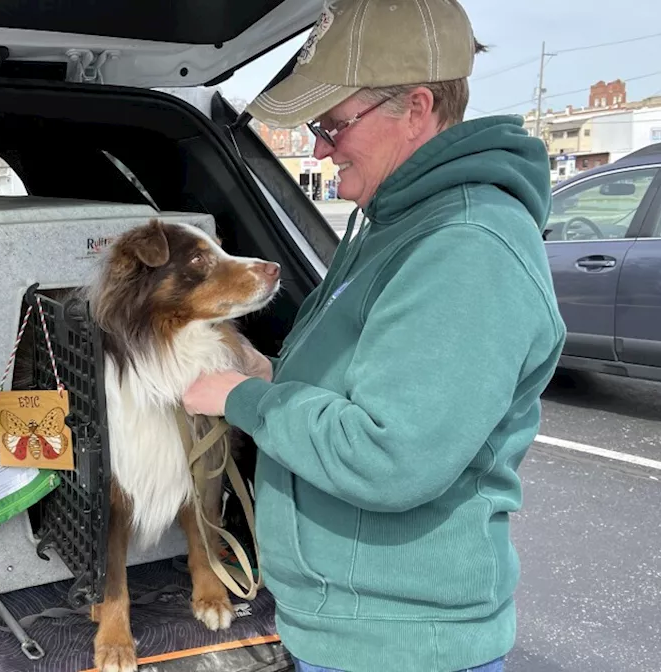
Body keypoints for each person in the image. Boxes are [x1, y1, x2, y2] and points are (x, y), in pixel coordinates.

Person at [182, 1, 566, 671]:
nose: (321, 148)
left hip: (398, 647)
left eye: (334, 125)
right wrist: (271, 378)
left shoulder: (464, 247)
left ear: (416, 108)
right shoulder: (396, 222)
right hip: (349, 629)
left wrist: (245, 398)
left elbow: (390, 455)